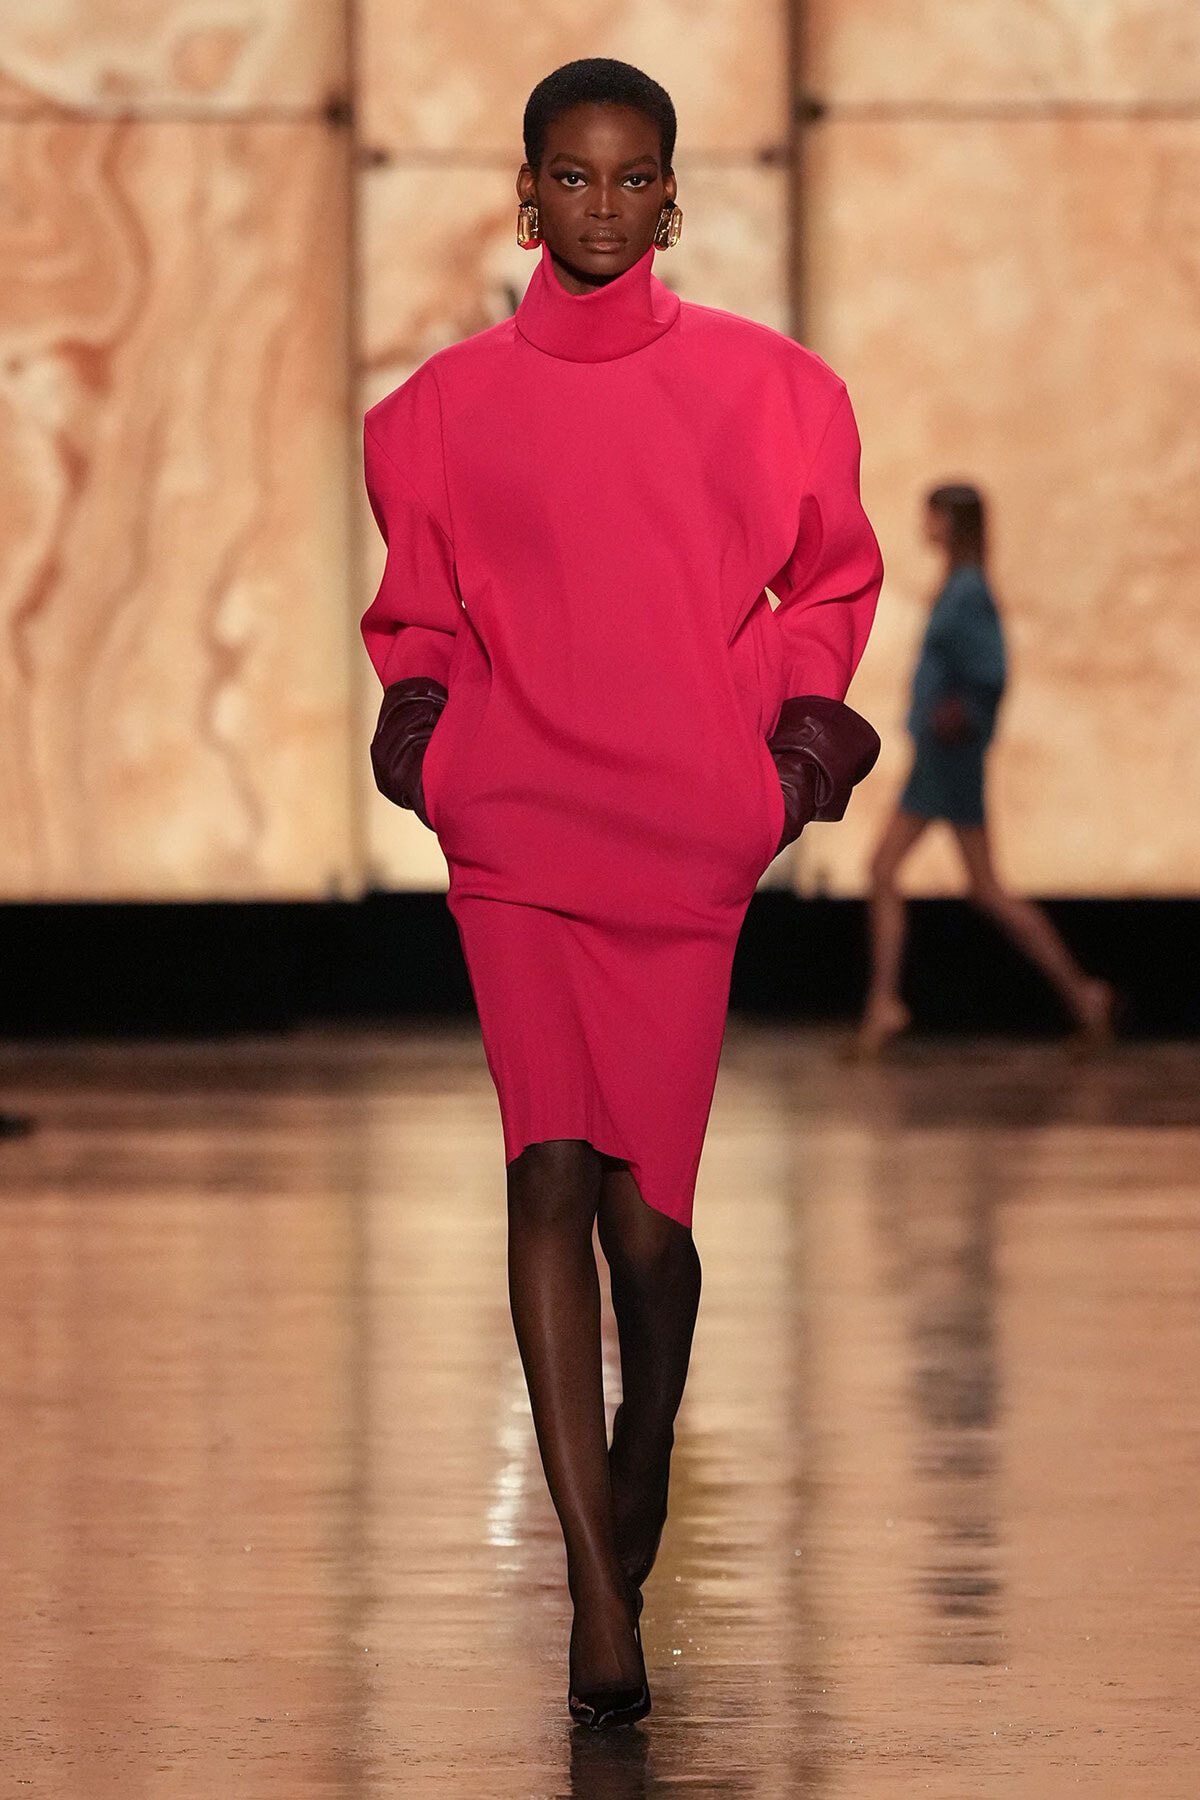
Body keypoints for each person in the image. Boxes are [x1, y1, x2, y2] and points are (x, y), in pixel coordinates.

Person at [362, 59, 883, 1728]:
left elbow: (834, 578)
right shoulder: (431, 411)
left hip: (678, 836)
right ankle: (598, 1590)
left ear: (672, 193)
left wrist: (793, 757)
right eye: (571, 179)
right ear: (529, 192)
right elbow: (419, 614)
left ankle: (644, 1439)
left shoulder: (776, 391)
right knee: (548, 1173)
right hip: (515, 831)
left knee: (651, 1227)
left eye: (632, 177)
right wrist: (427, 734)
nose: (601, 205)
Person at [857, 483, 1114, 1056]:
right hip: (941, 756)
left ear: (952, 521)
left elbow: (991, 671)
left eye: (933, 514)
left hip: (949, 759)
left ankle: (885, 1004)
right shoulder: (959, 583)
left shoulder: (968, 590)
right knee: (974, 886)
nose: (925, 522)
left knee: (901, 873)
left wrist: (961, 713)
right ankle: (1081, 996)